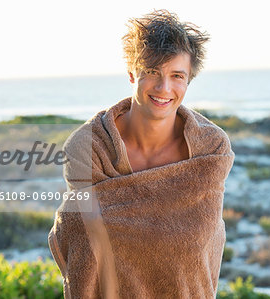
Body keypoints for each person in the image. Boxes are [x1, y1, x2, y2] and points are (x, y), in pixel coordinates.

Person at [49, 10, 234, 298]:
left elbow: (204, 240)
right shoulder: (89, 147)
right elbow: (87, 236)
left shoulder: (211, 147)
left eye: (177, 76)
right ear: (132, 73)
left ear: (188, 81)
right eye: (152, 73)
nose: (164, 88)